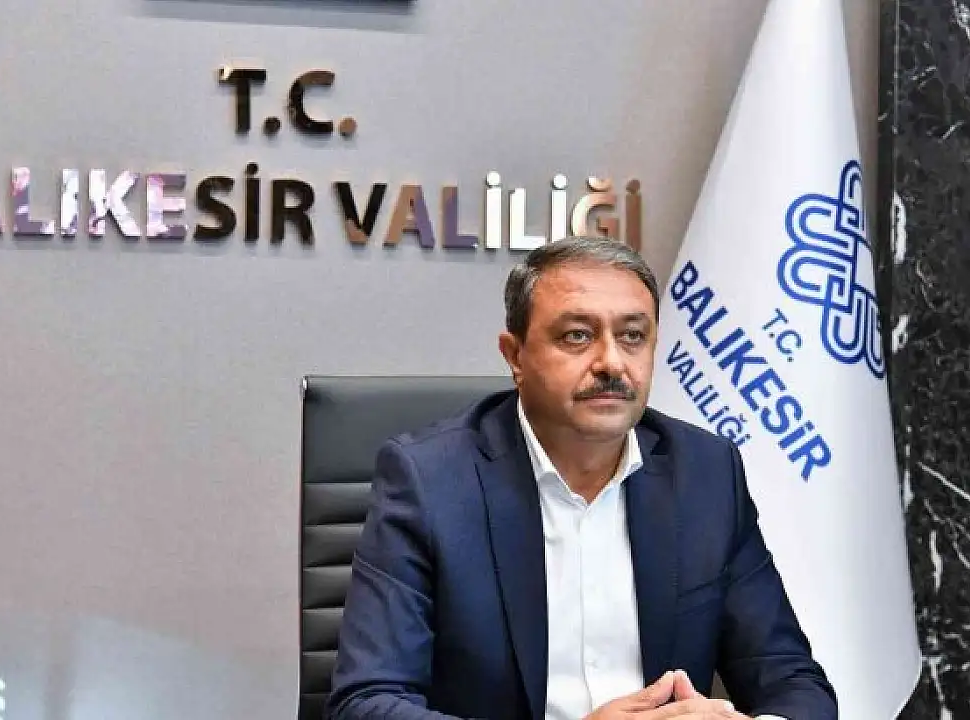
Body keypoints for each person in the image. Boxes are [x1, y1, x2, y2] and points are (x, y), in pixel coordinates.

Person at [324, 236, 837, 720]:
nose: (612, 362)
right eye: (578, 336)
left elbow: (791, 679)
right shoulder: (430, 480)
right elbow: (366, 702)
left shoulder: (705, 472)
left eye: (633, 336)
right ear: (515, 356)